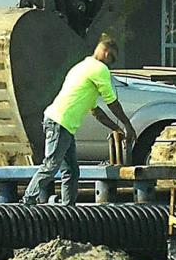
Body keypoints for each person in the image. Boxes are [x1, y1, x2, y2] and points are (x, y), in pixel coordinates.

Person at [22, 34, 135, 206]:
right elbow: (111, 102)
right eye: (112, 59)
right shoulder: (99, 69)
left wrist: (116, 129)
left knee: (72, 171)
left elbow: (97, 112)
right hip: (60, 123)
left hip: (63, 125)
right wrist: (128, 125)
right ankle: (27, 200)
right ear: (106, 54)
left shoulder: (82, 67)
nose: (111, 64)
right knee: (51, 166)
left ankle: (69, 207)